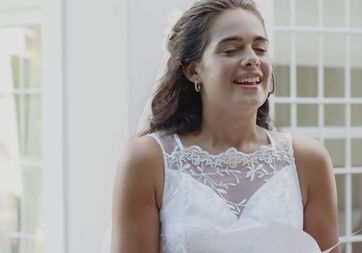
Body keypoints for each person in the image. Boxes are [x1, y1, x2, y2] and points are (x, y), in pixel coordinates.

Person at [111, 0, 339, 252]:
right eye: (231, 50)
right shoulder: (147, 160)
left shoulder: (308, 160)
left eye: (260, 48)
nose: (252, 59)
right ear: (193, 70)